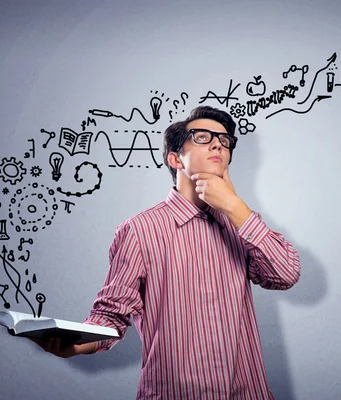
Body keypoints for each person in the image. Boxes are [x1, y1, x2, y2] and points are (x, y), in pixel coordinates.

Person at [33, 105, 301, 399]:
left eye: (225, 140)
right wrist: (76, 344)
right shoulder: (140, 230)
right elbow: (111, 313)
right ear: (175, 159)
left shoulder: (242, 223)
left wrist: (236, 207)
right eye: (202, 136)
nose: (217, 144)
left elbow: (285, 274)